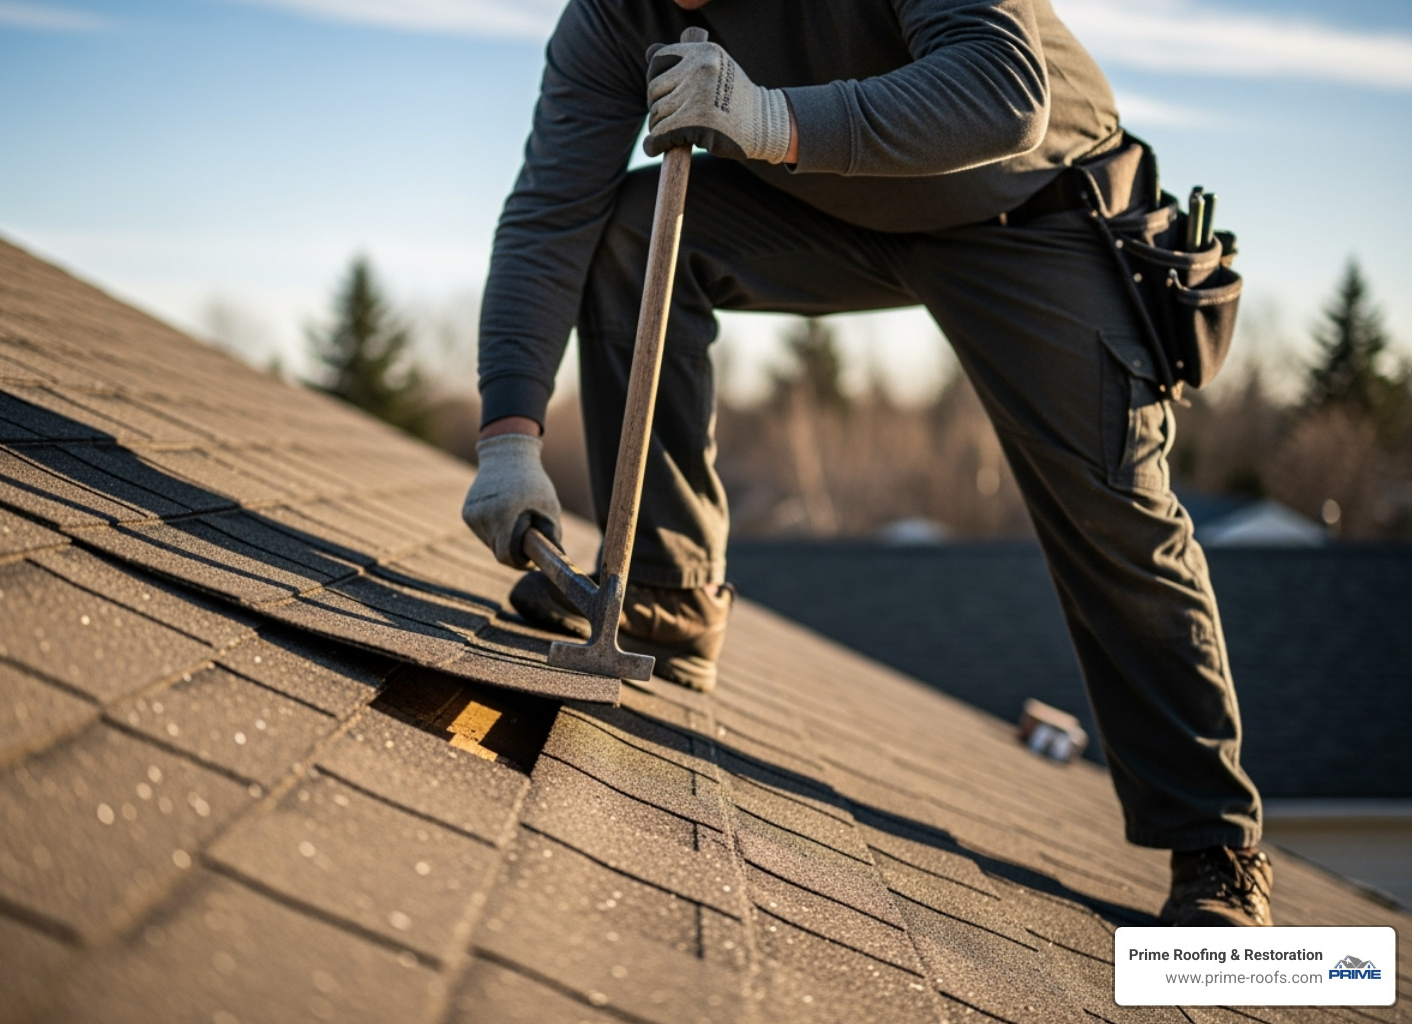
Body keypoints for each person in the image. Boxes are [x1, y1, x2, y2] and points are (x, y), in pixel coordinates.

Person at [459, 0, 1272, 927]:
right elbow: (551, 212)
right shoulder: (611, 18)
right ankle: (668, 593)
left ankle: (1213, 842)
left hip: (1028, 207)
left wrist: (769, 119)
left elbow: (1003, 89)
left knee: (1110, 510)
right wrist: (509, 436)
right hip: (833, 204)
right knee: (633, 235)